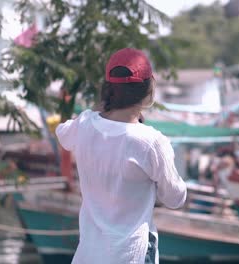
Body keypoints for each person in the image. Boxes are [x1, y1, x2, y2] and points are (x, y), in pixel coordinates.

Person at [55, 48, 187, 264]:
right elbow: (175, 198)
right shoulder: (151, 142)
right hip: (132, 255)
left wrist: (100, 109)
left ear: (108, 88)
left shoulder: (85, 124)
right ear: (149, 89)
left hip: (88, 256)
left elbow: (63, 134)